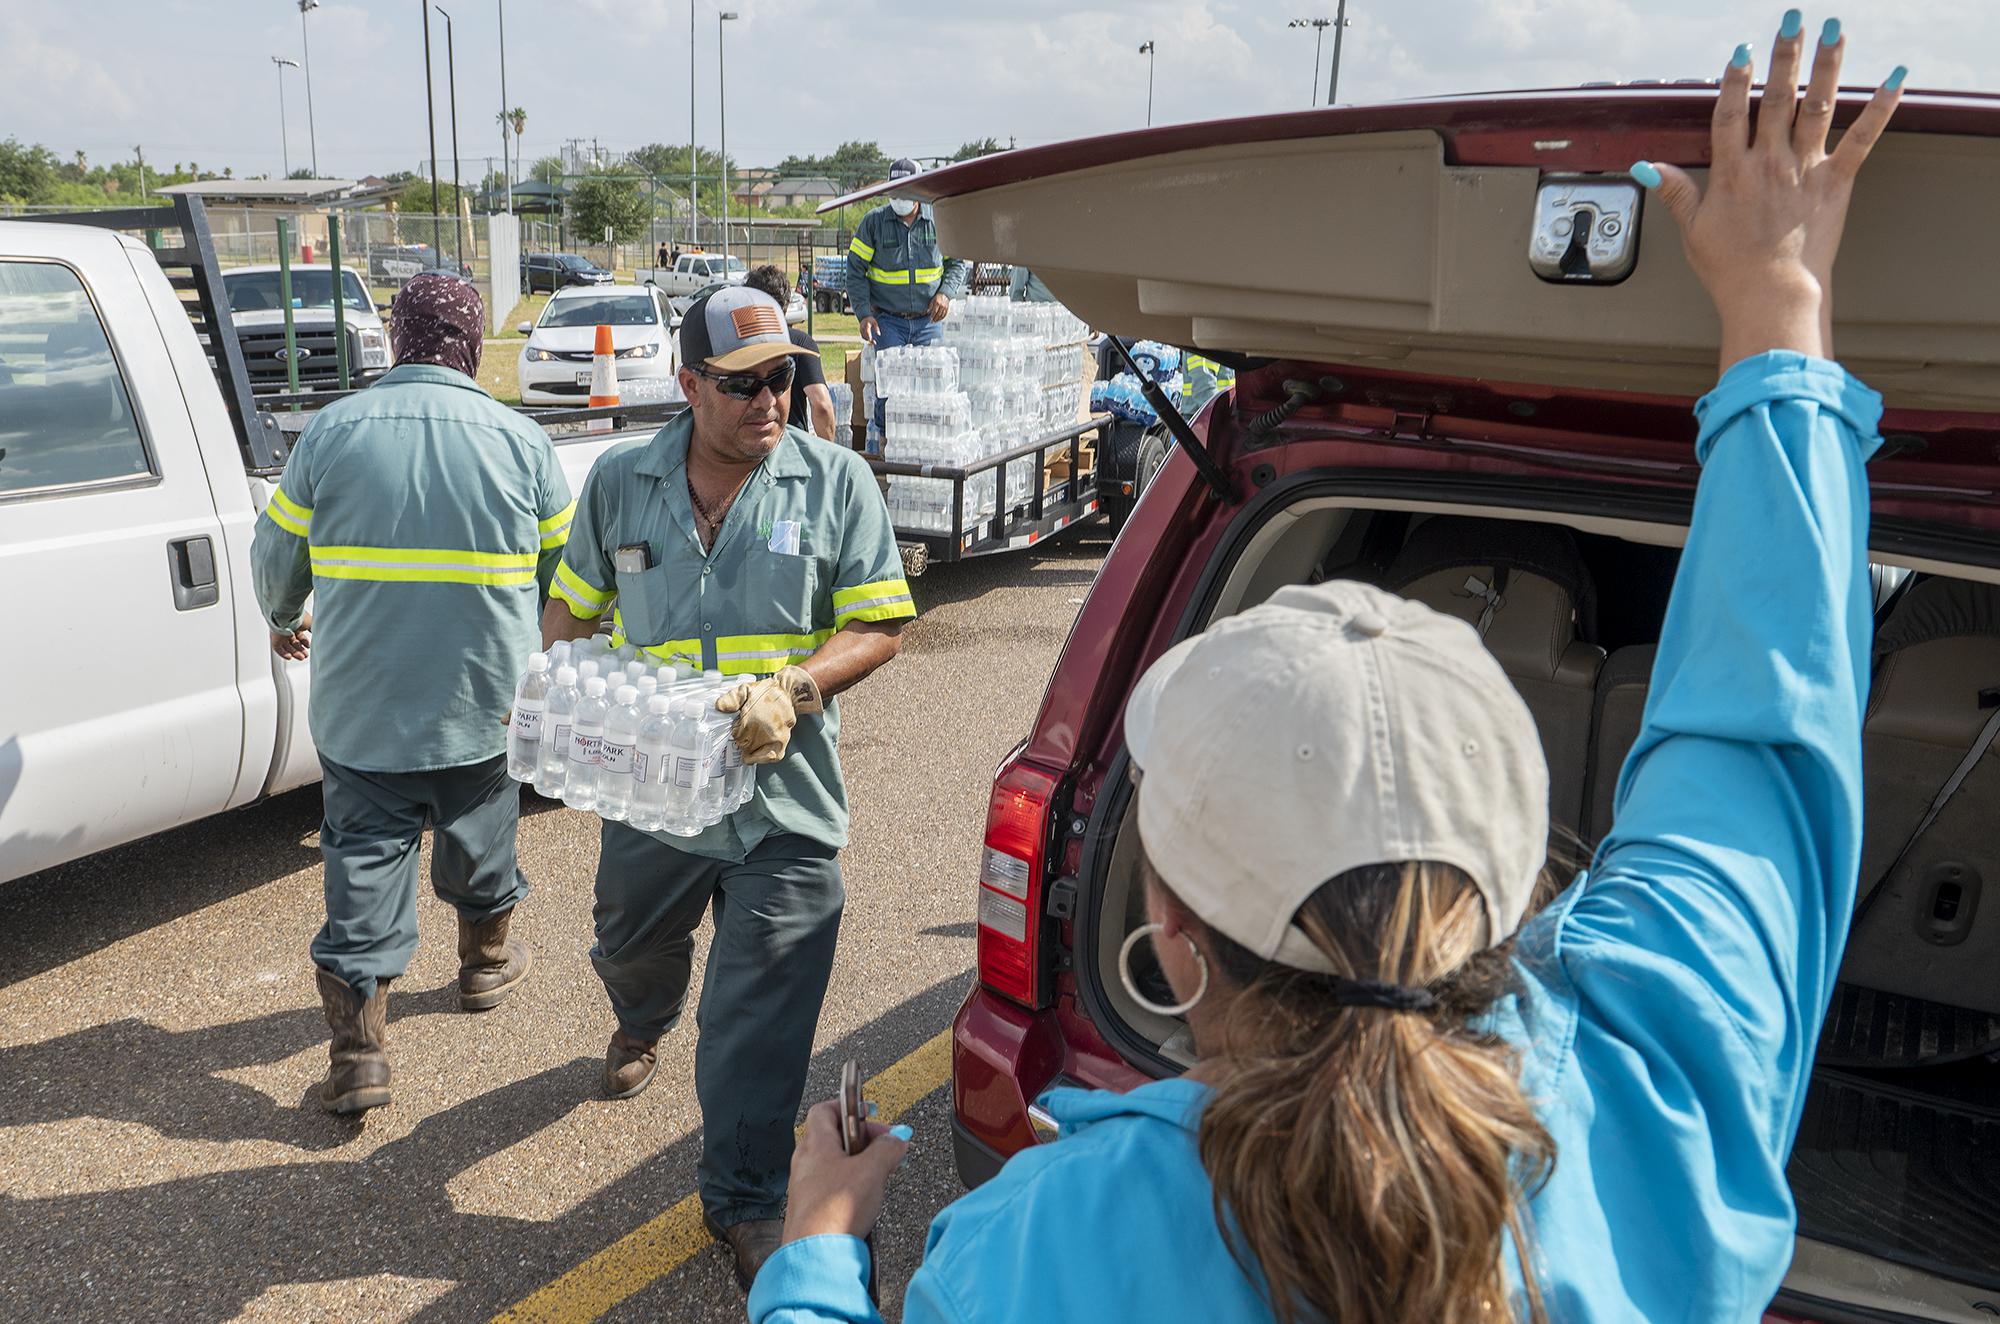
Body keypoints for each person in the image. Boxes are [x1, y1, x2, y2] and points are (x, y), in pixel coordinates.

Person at [750, 18, 1907, 1324]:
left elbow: (1759, 731)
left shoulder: (1037, 1247)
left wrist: (815, 1257)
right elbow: (1761, 720)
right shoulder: (1656, 1087)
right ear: (1522, 878)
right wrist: (1779, 306)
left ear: (1170, 938)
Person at [542, 283, 914, 1289]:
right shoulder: (621, 482)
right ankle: (641, 1013)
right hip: (657, 798)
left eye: (785, 376)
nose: (771, 398)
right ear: (688, 386)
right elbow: (568, 620)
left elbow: (878, 620)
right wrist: (564, 714)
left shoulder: (834, 482)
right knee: (627, 940)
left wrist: (795, 685)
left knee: (754, 1022)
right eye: (744, 383)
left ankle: (745, 1201)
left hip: (780, 801)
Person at [250, 273, 572, 1115]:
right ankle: (485, 964)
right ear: (468, 343)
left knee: (362, 861)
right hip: (484, 704)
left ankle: (359, 1053)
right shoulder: (520, 441)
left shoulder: (331, 433)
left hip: (364, 710)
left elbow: (277, 559)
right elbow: (564, 578)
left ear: (399, 338)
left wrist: (284, 617)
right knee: (481, 834)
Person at [846, 158, 970, 438]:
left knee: (932, 390)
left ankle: (925, 446)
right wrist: (864, 313)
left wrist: (945, 294)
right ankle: (887, 445)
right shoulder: (873, 223)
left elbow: (956, 262)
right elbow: (855, 271)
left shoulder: (938, 219)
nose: (899, 197)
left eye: (906, 190)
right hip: (888, 322)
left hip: (928, 321)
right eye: (894, 190)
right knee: (889, 390)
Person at [745, 263, 836, 441]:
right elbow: (822, 406)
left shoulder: (735, 345)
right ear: (786, 304)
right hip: (792, 448)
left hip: (746, 448)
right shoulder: (800, 343)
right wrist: (828, 457)